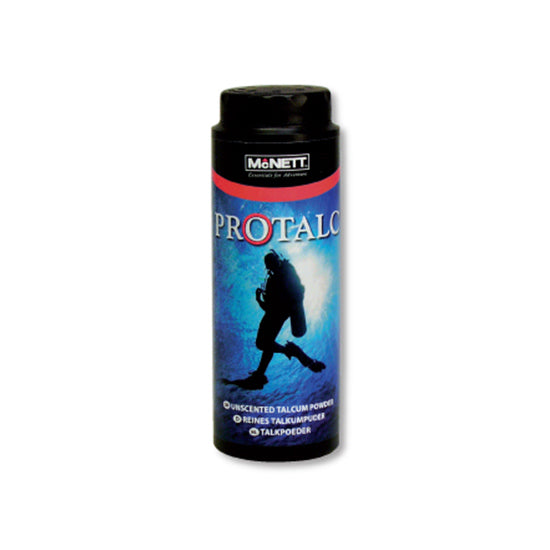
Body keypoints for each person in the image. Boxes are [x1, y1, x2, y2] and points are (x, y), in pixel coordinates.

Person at [223, 250, 324, 390]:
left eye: (272, 263)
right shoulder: (281, 275)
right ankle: (261, 373)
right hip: (277, 315)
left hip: (276, 314)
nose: (272, 266)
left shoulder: (285, 272)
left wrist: (262, 300)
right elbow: (271, 305)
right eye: (270, 264)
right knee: (267, 343)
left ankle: (287, 353)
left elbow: (285, 299)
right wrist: (259, 300)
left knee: (262, 343)